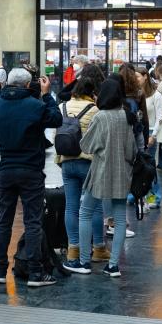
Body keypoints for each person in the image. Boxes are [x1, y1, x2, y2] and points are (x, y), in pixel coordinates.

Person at [0, 68, 62, 287]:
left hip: (3, 170)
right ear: (27, 85)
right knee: (32, 221)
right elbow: (56, 119)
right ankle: (35, 272)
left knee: (3, 220)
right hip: (31, 170)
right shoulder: (36, 106)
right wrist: (46, 95)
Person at [64, 78, 137, 277]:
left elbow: (86, 145)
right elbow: (132, 150)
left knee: (85, 211)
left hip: (100, 171)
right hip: (122, 172)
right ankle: (113, 265)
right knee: (120, 219)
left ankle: (84, 262)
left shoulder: (101, 116)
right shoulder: (126, 116)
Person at [55, 77, 106, 266]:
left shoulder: (62, 107)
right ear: (92, 92)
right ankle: (98, 248)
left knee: (71, 206)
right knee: (94, 207)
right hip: (88, 163)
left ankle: (73, 248)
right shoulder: (94, 110)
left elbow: (57, 134)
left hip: (67, 162)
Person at [136, 66, 162, 209]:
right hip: (139, 134)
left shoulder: (156, 95)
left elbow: (160, 117)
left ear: (145, 76)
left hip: (151, 133)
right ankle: (137, 196)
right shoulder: (135, 94)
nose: (136, 79)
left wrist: (153, 136)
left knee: (150, 168)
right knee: (138, 168)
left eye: (138, 76)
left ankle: (153, 197)